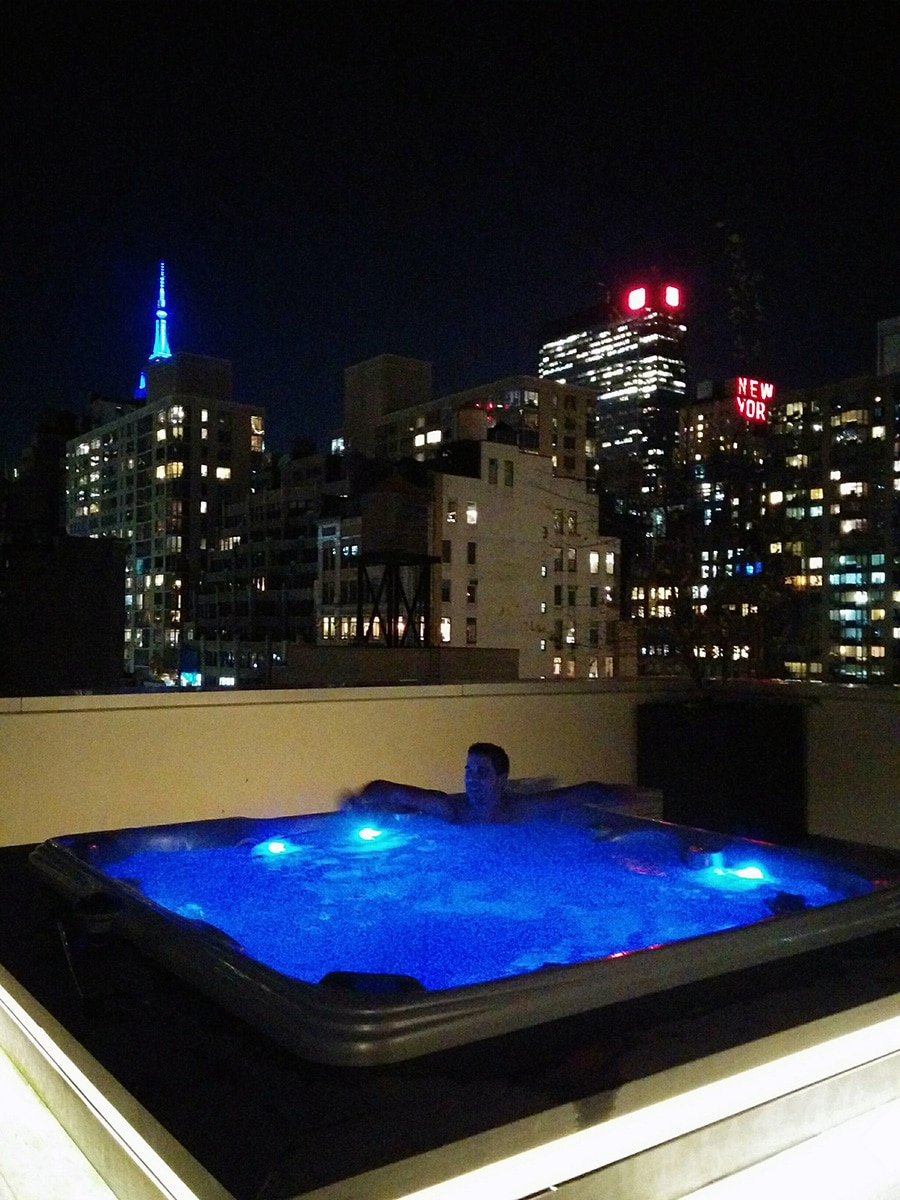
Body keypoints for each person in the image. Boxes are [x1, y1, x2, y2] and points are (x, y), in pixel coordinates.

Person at [343, 743, 645, 825]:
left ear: (501, 781)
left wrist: (627, 797)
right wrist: (362, 799)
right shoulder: (451, 811)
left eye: (482, 773)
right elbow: (389, 788)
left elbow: (583, 791)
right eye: (468, 771)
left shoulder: (521, 811)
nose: (472, 780)